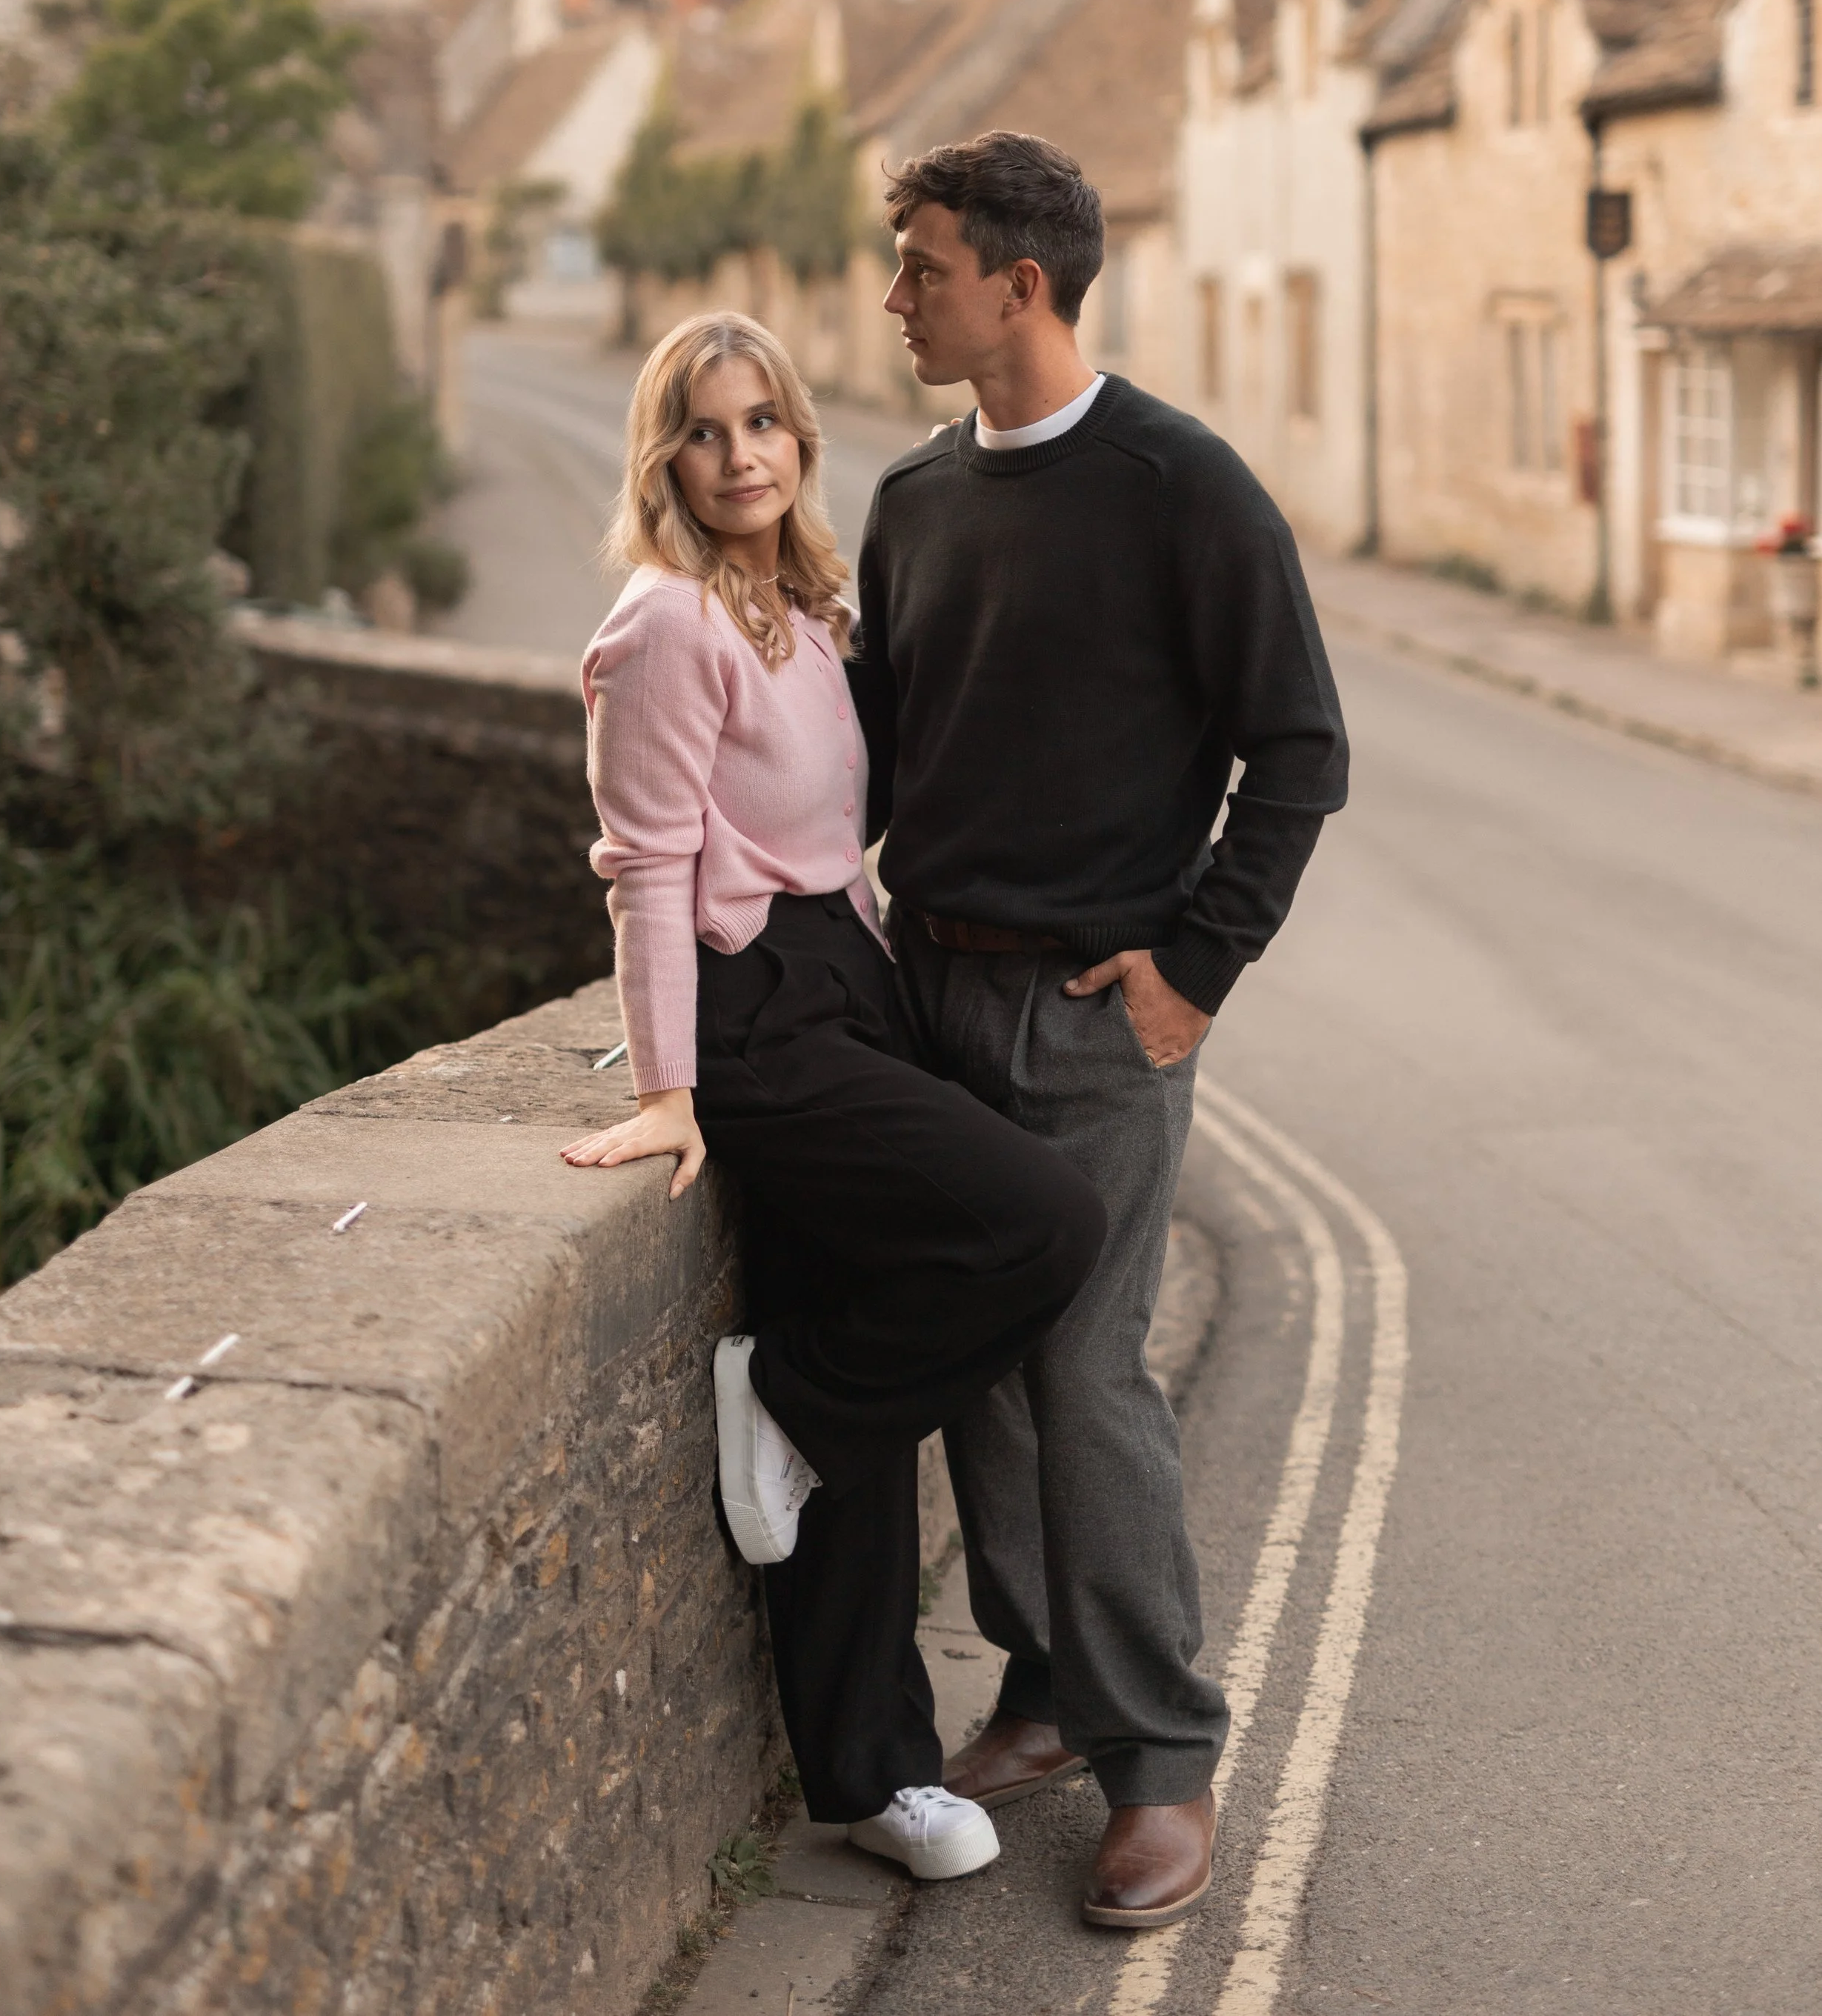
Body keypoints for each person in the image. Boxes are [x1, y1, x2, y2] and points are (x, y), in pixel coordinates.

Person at [849, 131, 1349, 1932]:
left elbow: (1297, 751)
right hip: (930, 994)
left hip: (1089, 1022)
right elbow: (867, 764)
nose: (893, 293)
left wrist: (1187, 973)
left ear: (1019, 285)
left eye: (917, 263)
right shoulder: (910, 500)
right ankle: (1045, 1689)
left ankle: (1161, 1761)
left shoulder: (1182, 488)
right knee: (979, 1369)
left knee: (1080, 1372)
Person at [559, 310, 1105, 1885]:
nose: (737, 456)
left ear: (800, 439)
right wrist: (670, 1084)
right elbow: (644, 867)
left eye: (762, 425)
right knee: (1037, 1223)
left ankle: (873, 1777)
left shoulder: (801, 605)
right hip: (759, 1018)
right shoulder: (662, 626)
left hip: (843, 980)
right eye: (702, 431)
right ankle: (789, 1397)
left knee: (852, 1410)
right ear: (663, 456)